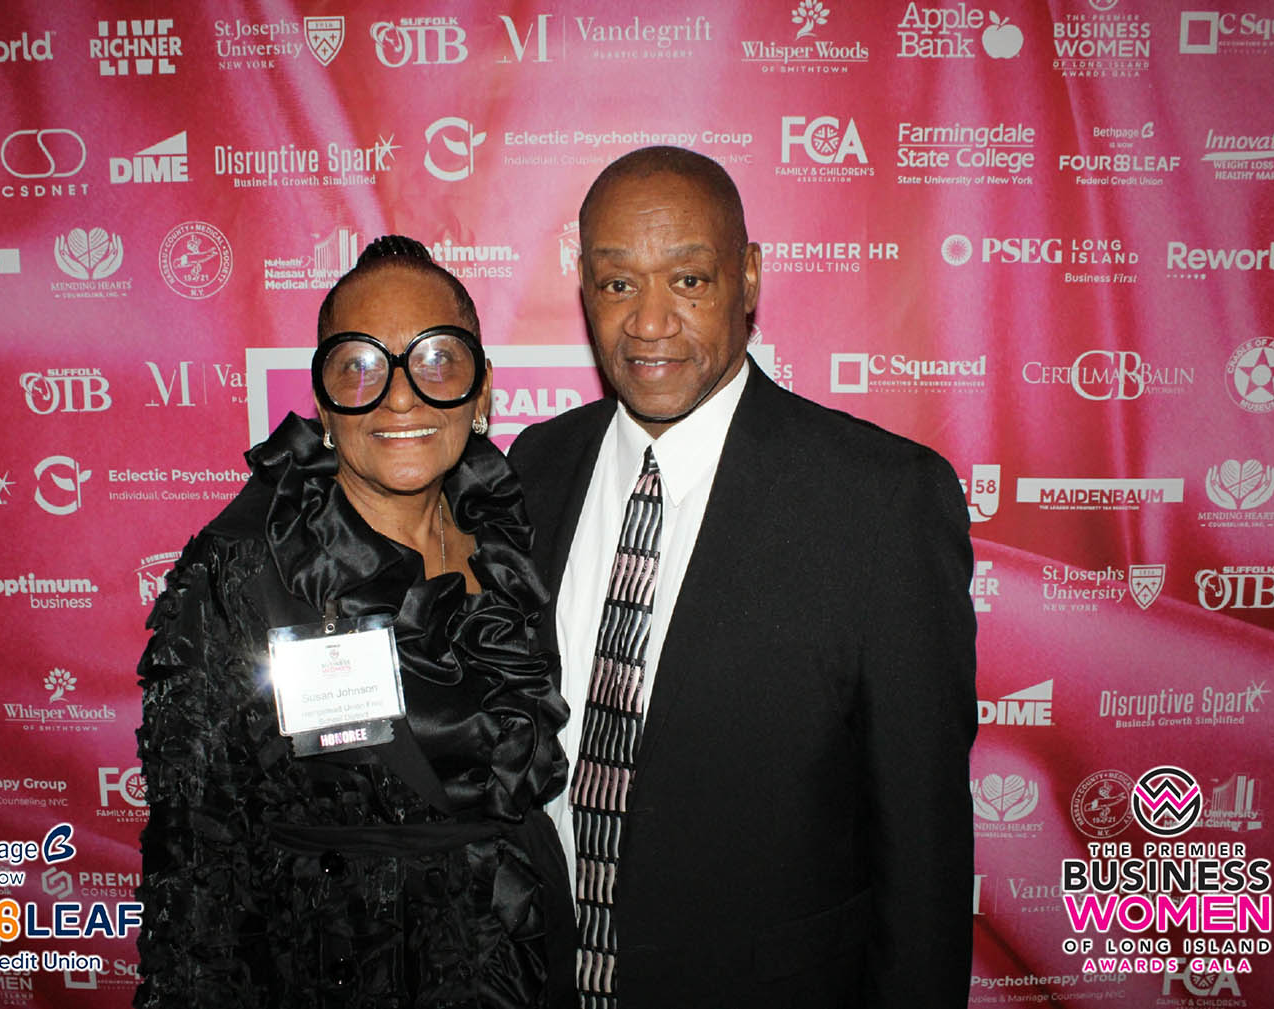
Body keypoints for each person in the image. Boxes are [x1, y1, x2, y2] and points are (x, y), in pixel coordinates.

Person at [508, 147, 977, 1007]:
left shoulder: (881, 502)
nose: (650, 322)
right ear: (585, 290)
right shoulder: (536, 466)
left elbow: (924, 852)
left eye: (688, 280)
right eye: (618, 284)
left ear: (748, 276)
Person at [135, 236, 576, 1008]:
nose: (400, 396)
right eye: (361, 364)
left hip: (520, 959)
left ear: (481, 389)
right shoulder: (245, 567)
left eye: (436, 359)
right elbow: (198, 860)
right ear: (325, 401)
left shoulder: (508, 529)